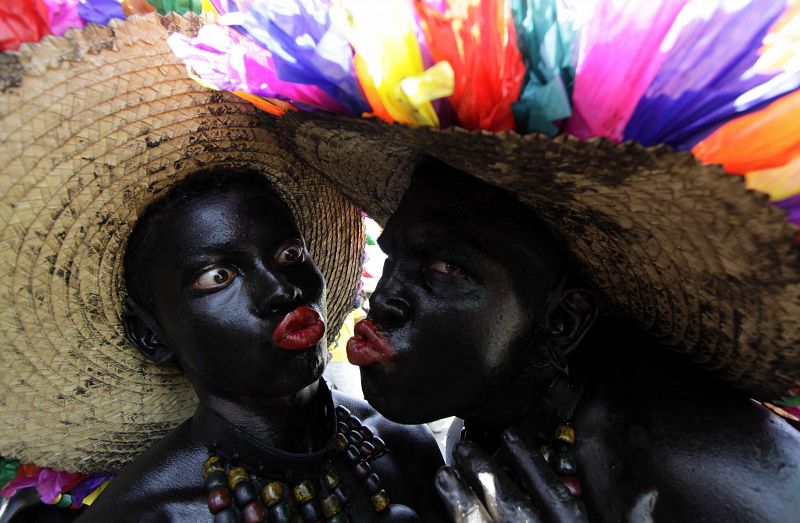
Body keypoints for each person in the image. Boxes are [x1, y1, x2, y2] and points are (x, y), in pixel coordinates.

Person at [0, 13, 443, 522]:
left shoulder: (400, 444)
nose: (281, 289)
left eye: (289, 255)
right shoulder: (153, 515)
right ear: (152, 335)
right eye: (218, 277)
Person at [272, 113, 800, 522]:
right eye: (394, 257)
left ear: (563, 322)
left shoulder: (694, 458)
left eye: (444, 268)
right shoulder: (487, 424)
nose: (386, 297)